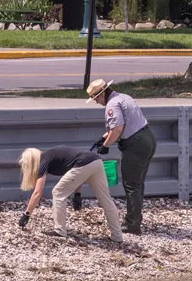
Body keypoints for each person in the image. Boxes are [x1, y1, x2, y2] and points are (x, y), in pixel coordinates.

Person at [86, 79, 156, 233]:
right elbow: (123, 124)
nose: (97, 102)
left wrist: (105, 146)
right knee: (138, 183)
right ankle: (136, 218)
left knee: (131, 184)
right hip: (147, 137)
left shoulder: (112, 105)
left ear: (102, 94)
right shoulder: (124, 97)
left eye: (96, 98)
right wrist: (105, 137)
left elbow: (117, 129)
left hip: (135, 144)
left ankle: (132, 224)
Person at [16, 145, 123, 242]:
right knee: (105, 199)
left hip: (85, 163)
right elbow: (77, 172)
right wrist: (77, 194)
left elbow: (37, 193)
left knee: (58, 192)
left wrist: (27, 214)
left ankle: (59, 231)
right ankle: (117, 236)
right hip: (96, 161)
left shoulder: (43, 161)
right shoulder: (51, 156)